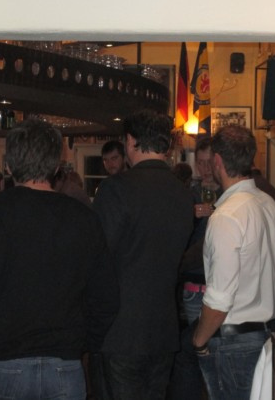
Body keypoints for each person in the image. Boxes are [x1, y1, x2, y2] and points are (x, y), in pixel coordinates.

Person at [0, 118, 119, 400]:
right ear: (56, 166)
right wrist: (80, 344)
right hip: (64, 366)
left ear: (9, 166)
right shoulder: (84, 217)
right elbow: (107, 299)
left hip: (2, 361)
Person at [92, 109, 193, 400]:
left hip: (121, 330)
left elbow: (98, 258)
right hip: (164, 327)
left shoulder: (116, 189)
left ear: (130, 141)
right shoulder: (183, 193)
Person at [191, 125, 275, 400]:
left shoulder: (226, 215)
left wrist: (199, 341)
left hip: (234, 341)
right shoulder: (270, 206)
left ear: (218, 161)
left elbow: (220, 298)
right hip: (266, 334)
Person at [168, 137, 223, 400]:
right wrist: (192, 215)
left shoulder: (230, 193)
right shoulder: (189, 194)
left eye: (208, 162)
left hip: (219, 282)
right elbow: (177, 238)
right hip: (194, 281)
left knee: (215, 348)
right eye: (200, 163)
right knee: (194, 346)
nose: (205, 168)